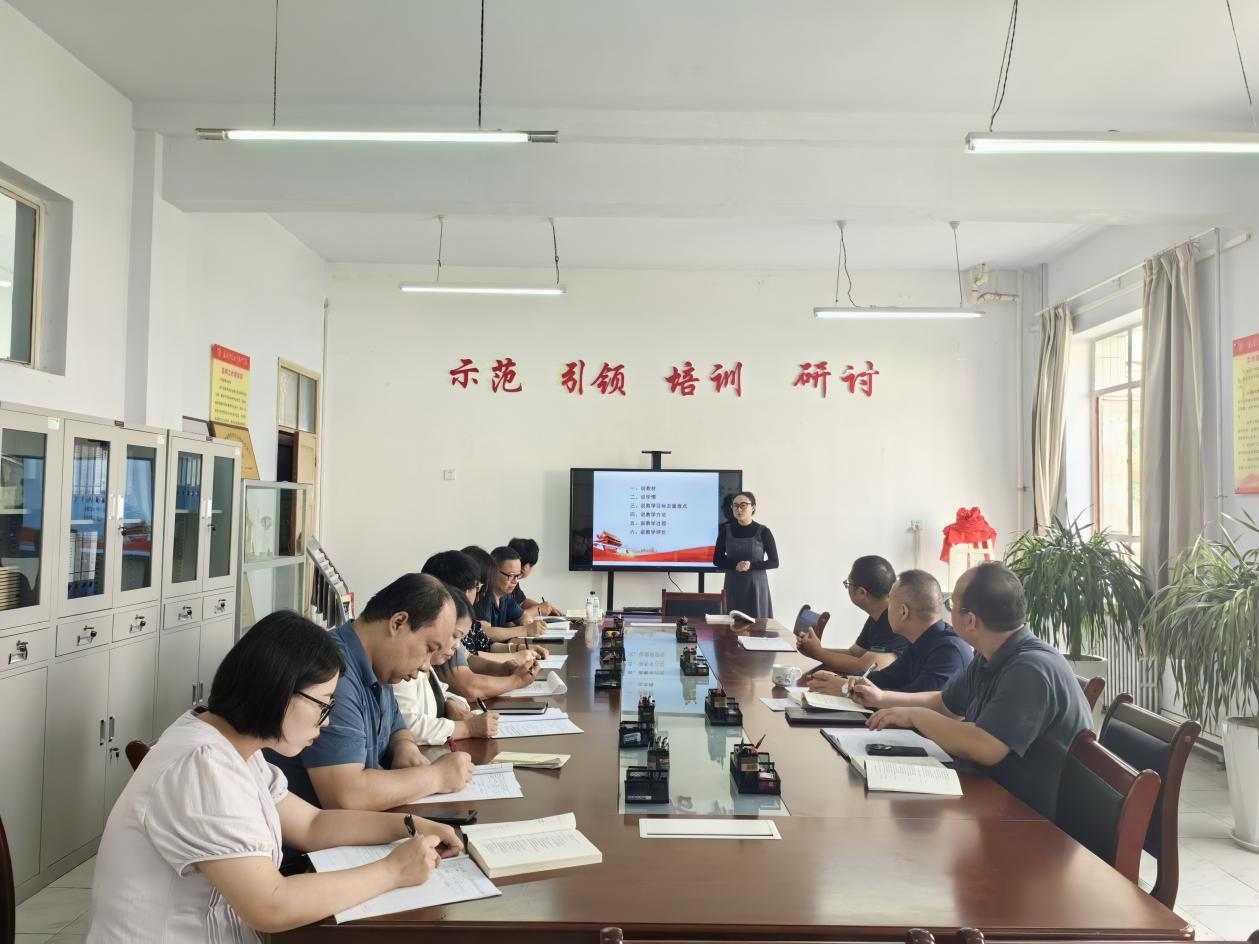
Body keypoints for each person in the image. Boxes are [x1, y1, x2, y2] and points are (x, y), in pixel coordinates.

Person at [87, 612, 462, 943]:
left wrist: (409, 825)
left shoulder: (236, 747)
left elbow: (312, 824)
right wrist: (392, 871)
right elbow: (272, 905)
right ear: (280, 691)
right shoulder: (202, 766)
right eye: (323, 704)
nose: (327, 721)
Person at [866, 561, 1092, 819]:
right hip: (994, 794)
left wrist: (915, 716)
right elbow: (945, 703)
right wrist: (883, 699)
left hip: (1034, 820)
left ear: (970, 620)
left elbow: (985, 746)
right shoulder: (991, 655)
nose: (947, 612)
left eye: (951, 605)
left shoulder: (1030, 669)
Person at [267, 574, 476, 811]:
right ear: (398, 623)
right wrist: (437, 777)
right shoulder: (334, 672)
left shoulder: (379, 664)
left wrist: (404, 747)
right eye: (429, 648)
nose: (426, 665)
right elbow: (346, 796)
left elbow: (396, 725)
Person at [809, 569, 972, 696]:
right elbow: (886, 679)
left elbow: (913, 701)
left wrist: (848, 690)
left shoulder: (949, 652)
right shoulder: (920, 642)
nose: (886, 609)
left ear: (903, 612)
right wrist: (845, 681)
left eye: (890, 602)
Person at [428, 549, 545, 702]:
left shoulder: (452, 621)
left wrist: (502, 667)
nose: (480, 595)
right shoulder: (444, 626)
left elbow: (468, 656)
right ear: (460, 591)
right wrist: (516, 680)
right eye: (478, 587)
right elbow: (469, 688)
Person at [394, 591, 500, 745]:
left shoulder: (427, 666)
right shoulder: (403, 670)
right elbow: (405, 726)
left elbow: (441, 693)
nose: (457, 646)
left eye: (461, 638)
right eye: (455, 635)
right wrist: (467, 728)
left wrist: (449, 703)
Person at [797, 555, 907, 674]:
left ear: (861, 592)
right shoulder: (879, 614)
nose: (847, 587)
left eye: (848, 583)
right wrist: (813, 650)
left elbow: (863, 667)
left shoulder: (896, 619)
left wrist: (818, 653)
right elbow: (854, 654)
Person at [711, 491, 778, 618]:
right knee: (731, 624)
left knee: (758, 625)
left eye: (743, 505)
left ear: (753, 507)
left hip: (756, 586)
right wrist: (735, 565)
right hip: (733, 585)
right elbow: (717, 559)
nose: (739, 509)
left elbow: (774, 562)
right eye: (735, 505)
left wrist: (751, 565)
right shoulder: (725, 530)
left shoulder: (764, 531)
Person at [475, 545, 545, 641]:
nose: (515, 581)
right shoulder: (482, 595)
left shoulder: (505, 597)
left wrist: (528, 624)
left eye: (518, 575)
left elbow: (523, 616)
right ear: (493, 571)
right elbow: (485, 632)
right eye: (511, 576)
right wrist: (525, 630)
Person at [507, 536, 563, 616]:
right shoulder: (503, 584)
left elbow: (522, 602)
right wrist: (538, 610)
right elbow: (510, 618)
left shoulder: (513, 581)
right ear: (526, 566)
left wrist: (545, 607)